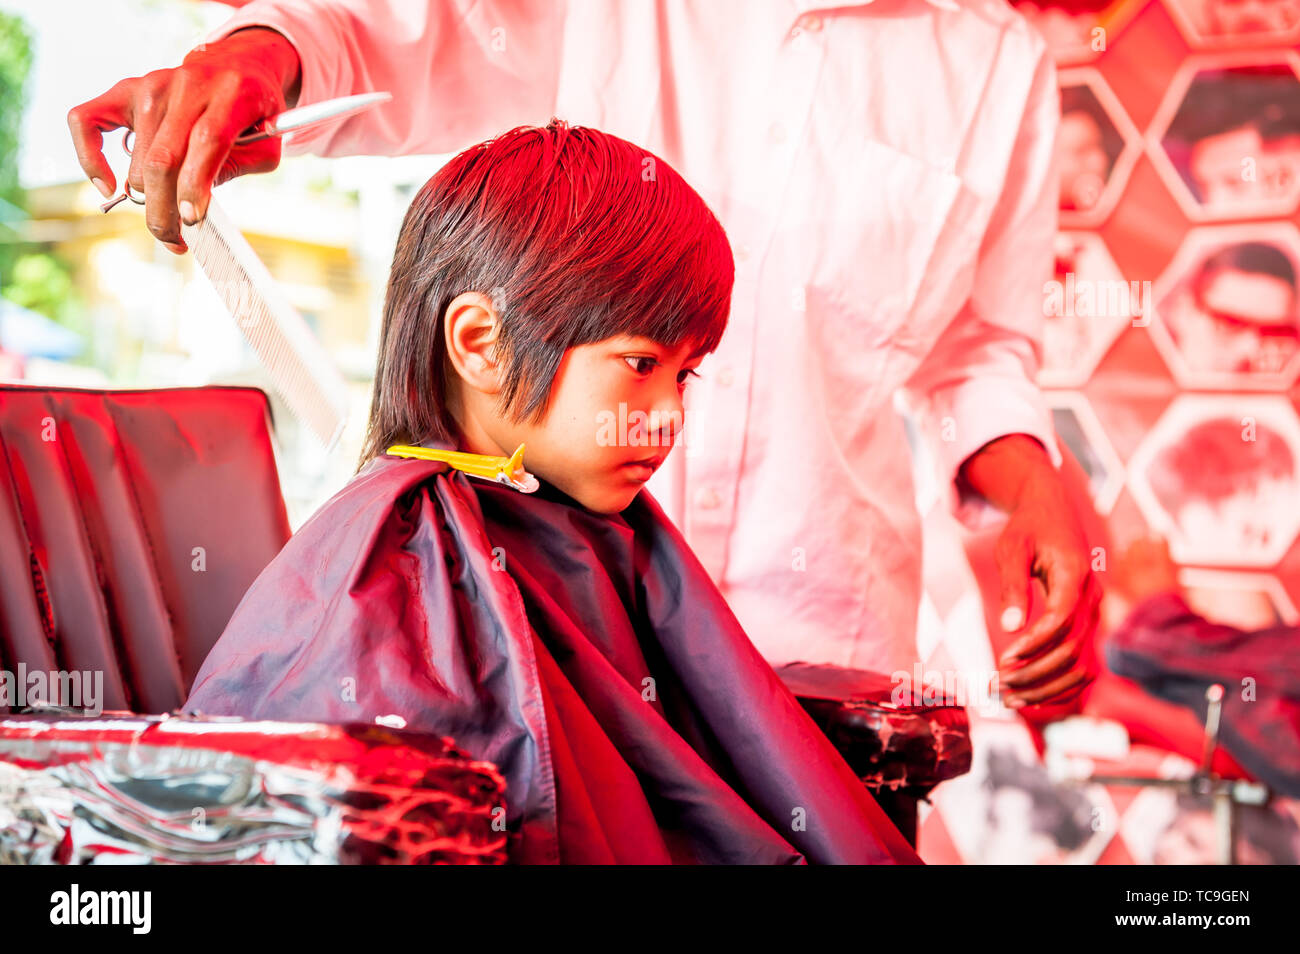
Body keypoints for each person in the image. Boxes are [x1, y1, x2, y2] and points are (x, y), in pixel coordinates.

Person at [70, 0, 1098, 710]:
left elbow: (976, 351)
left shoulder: (993, 65)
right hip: (546, 644)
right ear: (470, 338)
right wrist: (263, 52)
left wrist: (1037, 489)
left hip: (815, 643)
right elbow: (389, 37)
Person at [184, 119, 922, 865]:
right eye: (640, 365)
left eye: (685, 375)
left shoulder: (581, 520)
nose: (671, 416)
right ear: (480, 343)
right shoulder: (395, 566)